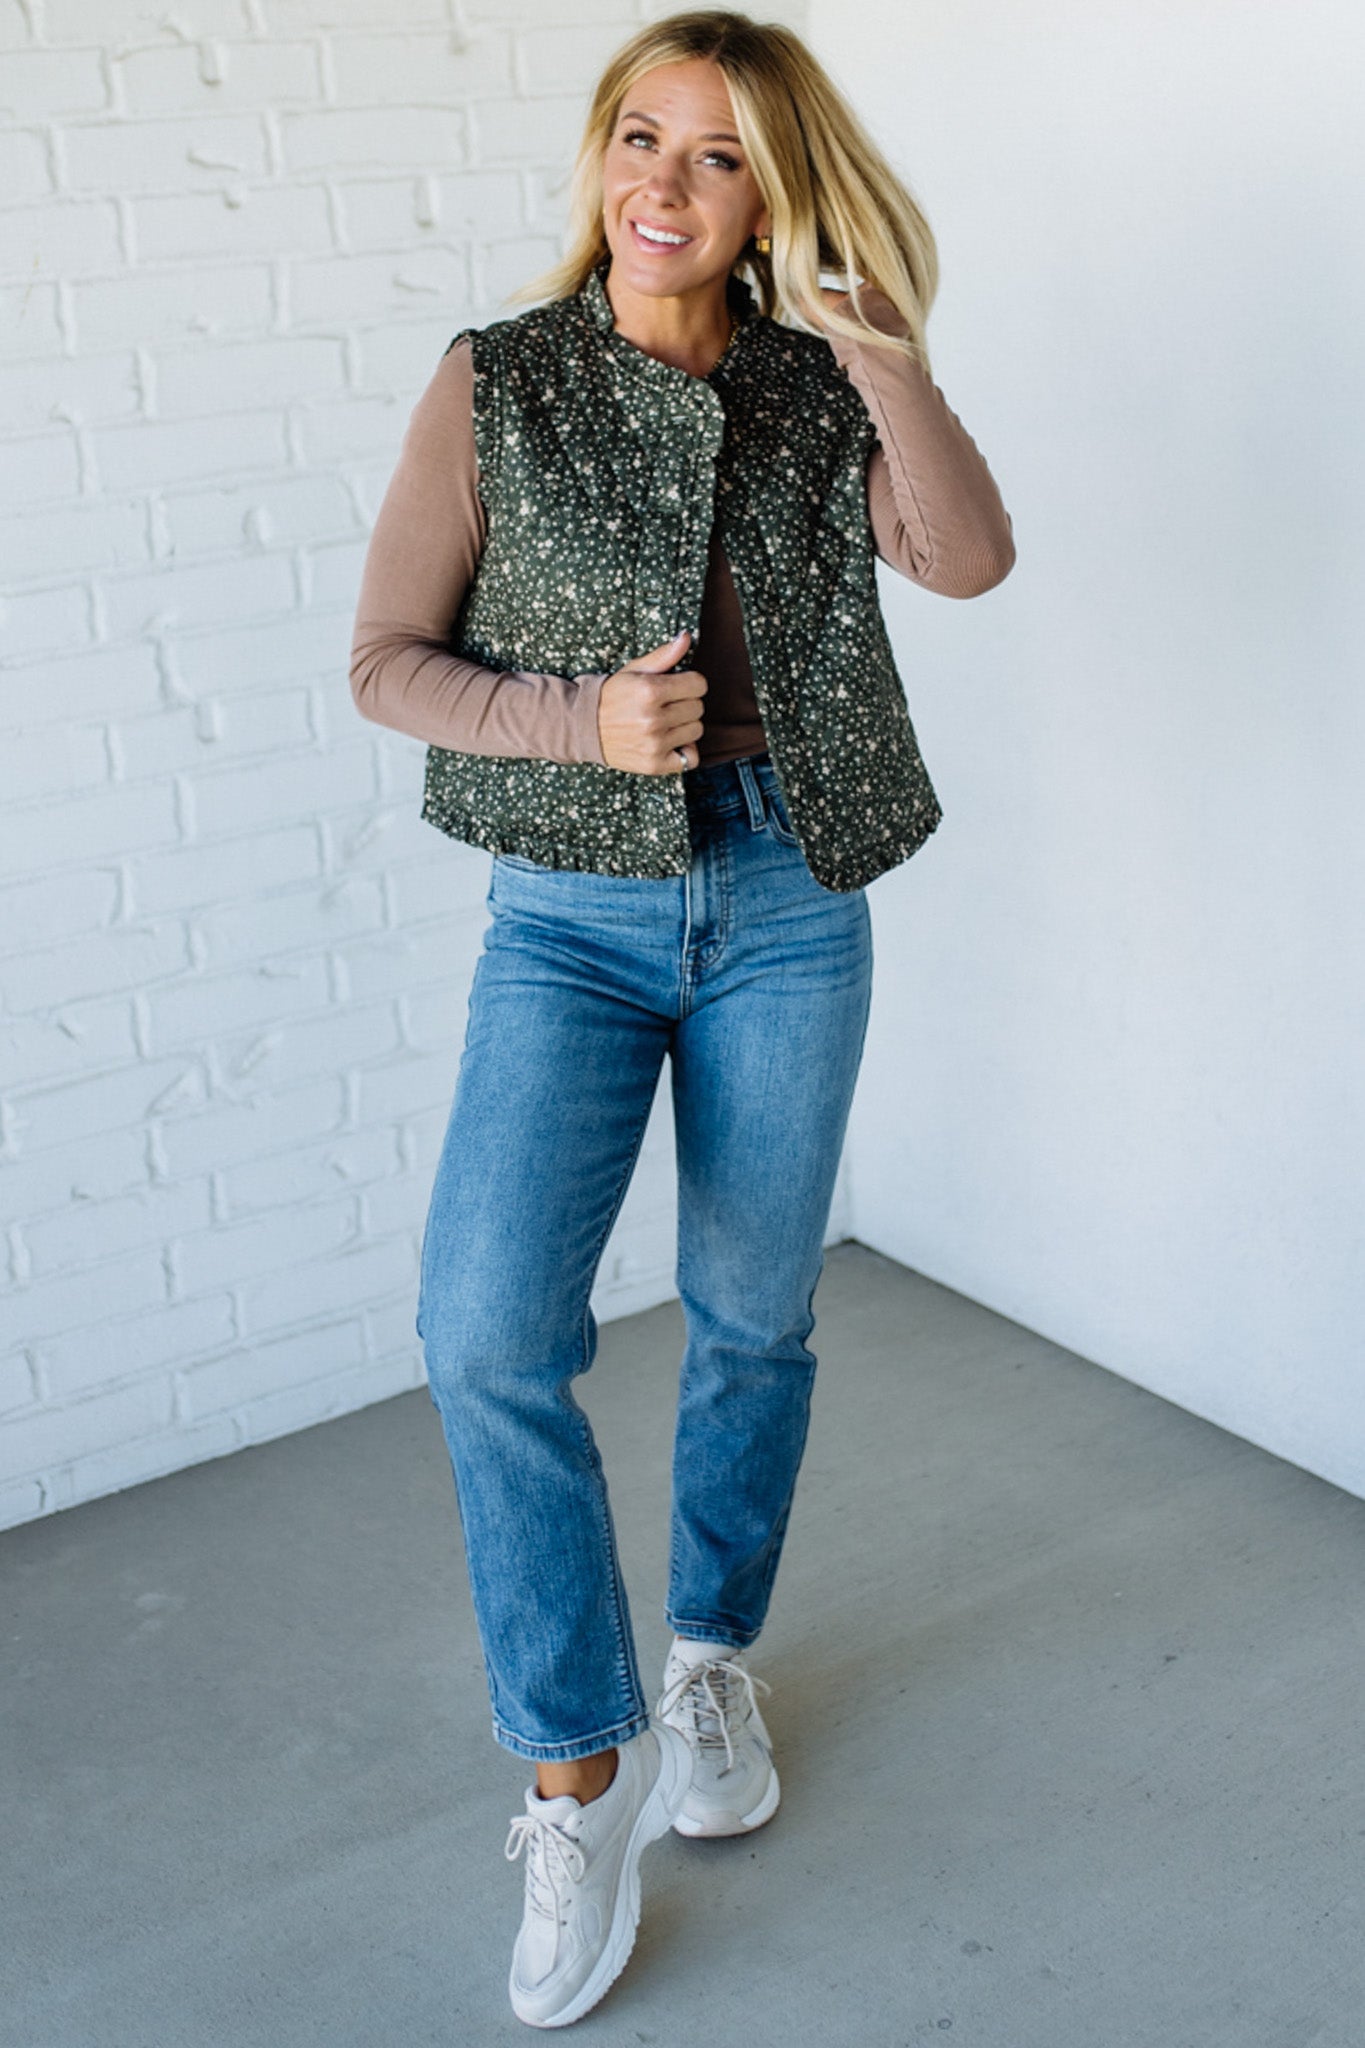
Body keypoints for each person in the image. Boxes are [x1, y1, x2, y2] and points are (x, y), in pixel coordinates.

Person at [350, 8, 1015, 2027]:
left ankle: (705, 1656)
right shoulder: (498, 384)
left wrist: (886, 345)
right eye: (637, 137)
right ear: (593, 160)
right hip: (565, 917)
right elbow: (385, 660)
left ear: (769, 195)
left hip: (792, 899)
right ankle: (576, 1767)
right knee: (484, 1327)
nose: (662, 181)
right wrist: (578, 718)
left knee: (750, 1312)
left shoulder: (822, 386)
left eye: (716, 156)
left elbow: (969, 560)